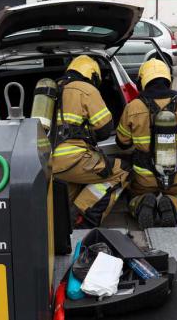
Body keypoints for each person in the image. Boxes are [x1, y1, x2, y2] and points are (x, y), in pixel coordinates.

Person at [116, 59, 177, 228]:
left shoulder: (133, 107)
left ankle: (142, 203)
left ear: (142, 81)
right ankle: (173, 205)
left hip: (144, 175)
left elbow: (122, 142)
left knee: (133, 197)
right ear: (168, 79)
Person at [51, 55, 129, 227]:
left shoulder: (53, 88)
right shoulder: (86, 89)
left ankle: (61, 221)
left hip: (46, 161)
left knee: (72, 183)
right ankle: (82, 216)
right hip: (73, 158)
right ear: (92, 75)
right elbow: (105, 129)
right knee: (122, 169)